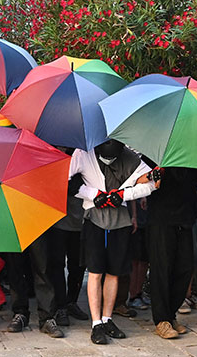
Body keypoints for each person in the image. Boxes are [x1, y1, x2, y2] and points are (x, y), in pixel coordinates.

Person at [69, 140, 157, 345]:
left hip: (120, 220)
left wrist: (124, 195)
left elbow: (150, 183)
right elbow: (67, 180)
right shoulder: (83, 153)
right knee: (95, 271)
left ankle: (108, 318)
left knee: (115, 272)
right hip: (94, 217)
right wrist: (92, 194)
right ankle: (96, 323)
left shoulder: (131, 157)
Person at [147, 167, 197, 339]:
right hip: (162, 216)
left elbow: (195, 177)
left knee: (186, 267)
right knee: (162, 268)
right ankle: (162, 320)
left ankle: (171, 314)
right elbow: (143, 178)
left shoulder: (192, 153)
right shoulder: (158, 152)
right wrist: (155, 174)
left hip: (186, 215)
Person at [46, 165, 89, 327]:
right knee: (56, 265)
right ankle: (61, 306)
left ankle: (72, 301)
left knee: (78, 265)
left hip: (82, 222)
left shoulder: (88, 159)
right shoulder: (55, 159)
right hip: (58, 222)